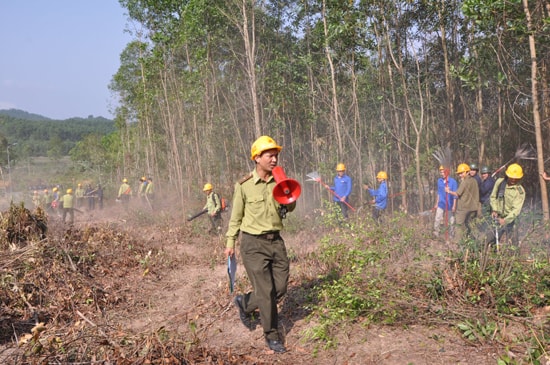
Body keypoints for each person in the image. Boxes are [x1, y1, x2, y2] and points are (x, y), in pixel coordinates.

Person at [224, 135, 296, 354]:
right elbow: (236, 217)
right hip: (253, 244)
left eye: (276, 156)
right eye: (269, 156)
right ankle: (272, 335)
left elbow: (289, 209)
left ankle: (244, 303)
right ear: (256, 158)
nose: (274, 160)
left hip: (276, 242)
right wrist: (230, 242)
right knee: (265, 292)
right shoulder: (244, 186)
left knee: (280, 288)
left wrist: (288, 193)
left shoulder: (280, 181)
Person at [487, 163, 525, 248]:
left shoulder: (520, 191)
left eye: (516, 178)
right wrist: (495, 210)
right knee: (489, 240)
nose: (514, 180)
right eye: (512, 177)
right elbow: (493, 196)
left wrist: (505, 220)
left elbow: (516, 210)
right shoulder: (500, 182)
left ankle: (513, 260)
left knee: (512, 245)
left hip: (511, 220)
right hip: (497, 218)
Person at [446, 163, 479, 243]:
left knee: (459, 225)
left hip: (463, 208)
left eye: (462, 173)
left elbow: (457, 194)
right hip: (474, 208)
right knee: (471, 225)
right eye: (459, 174)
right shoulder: (474, 180)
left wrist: (448, 191)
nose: (460, 175)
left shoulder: (465, 182)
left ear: (467, 172)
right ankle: (476, 241)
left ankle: (457, 243)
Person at [433, 165, 457, 239]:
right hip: (441, 203)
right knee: (437, 218)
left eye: (443, 172)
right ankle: (436, 233)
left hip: (449, 204)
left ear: (447, 172)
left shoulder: (453, 182)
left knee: (451, 221)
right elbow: (439, 193)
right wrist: (436, 203)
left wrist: (454, 206)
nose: (442, 173)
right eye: (441, 172)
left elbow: (455, 195)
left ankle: (451, 235)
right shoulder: (439, 181)